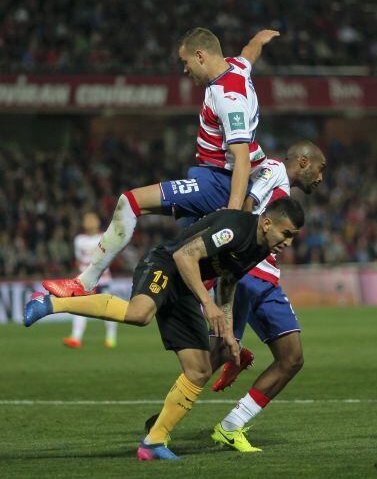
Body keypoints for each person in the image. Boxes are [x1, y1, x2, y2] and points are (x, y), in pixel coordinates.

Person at [24, 197, 305, 461]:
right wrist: (208, 304)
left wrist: (229, 332)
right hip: (164, 265)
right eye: (287, 233)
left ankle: (154, 442)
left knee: (200, 370)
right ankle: (50, 304)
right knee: (140, 313)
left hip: (185, 289)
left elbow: (229, 280)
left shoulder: (260, 247)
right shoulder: (236, 228)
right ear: (268, 223)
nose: (288, 242)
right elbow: (184, 257)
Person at [42, 27, 280, 299]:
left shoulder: (229, 98)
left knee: (130, 202)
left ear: (200, 56)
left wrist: (233, 217)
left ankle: (84, 283)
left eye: (185, 62)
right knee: (198, 265)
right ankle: (222, 336)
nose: (184, 69)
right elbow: (249, 53)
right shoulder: (237, 66)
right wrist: (259, 39)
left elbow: (241, 158)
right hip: (208, 176)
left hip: (219, 182)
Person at [208, 141, 326, 453]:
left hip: (268, 279)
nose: (320, 177)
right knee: (214, 354)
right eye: (320, 168)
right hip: (248, 273)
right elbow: (245, 208)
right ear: (303, 161)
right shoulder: (273, 170)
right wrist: (235, 258)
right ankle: (164, 423)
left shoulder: (285, 192)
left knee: (292, 358)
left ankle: (231, 426)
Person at [63, 212, 117, 348]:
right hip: (85, 280)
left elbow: (109, 256)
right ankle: (76, 338)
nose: (90, 223)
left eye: (92, 220)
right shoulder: (79, 239)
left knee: (108, 309)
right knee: (80, 308)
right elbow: (78, 260)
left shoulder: (104, 237)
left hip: (102, 279)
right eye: (87, 220)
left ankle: (111, 338)